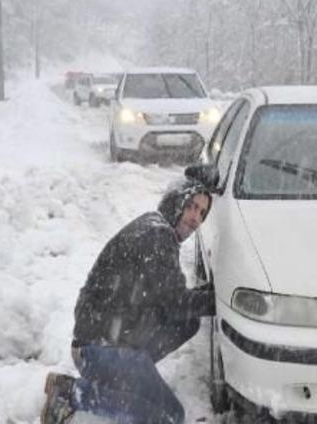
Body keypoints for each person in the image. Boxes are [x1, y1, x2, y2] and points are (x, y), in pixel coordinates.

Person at [41, 178, 215, 424]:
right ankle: (72, 394)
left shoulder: (156, 227)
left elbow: (172, 297)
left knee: (189, 322)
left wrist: (211, 292)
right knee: (171, 416)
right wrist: (224, 300)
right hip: (97, 348)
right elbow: (177, 302)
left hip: (110, 339)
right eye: (192, 207)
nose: (196, 218)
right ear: (177, 202)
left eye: (202, 212)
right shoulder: (158, 236)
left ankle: (126, 378)